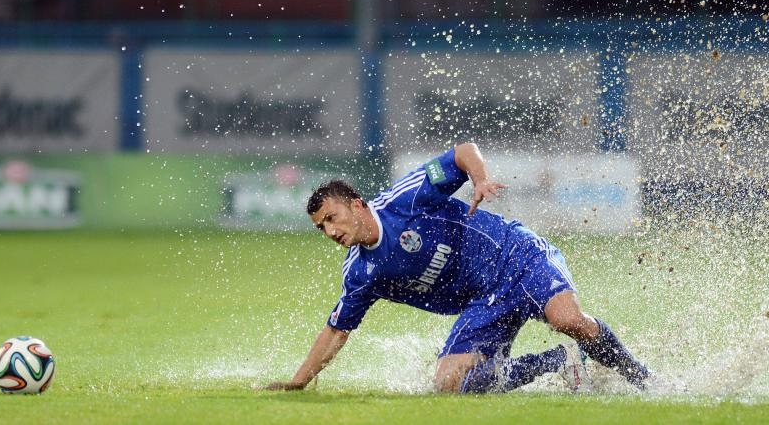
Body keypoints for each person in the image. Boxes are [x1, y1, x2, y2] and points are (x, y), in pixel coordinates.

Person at [266, 143, 652, 393]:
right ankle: (559, 361)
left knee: (568, 319)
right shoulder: (361, 273)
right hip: (484, 302)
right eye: (322, 228)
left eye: (332, 218)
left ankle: (644, 379)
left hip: (515, 256)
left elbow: (463, 152)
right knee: (449, 385)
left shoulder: (405, 200)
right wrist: (298, 383)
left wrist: (480, 180)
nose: (331, 231)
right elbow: (337, 330)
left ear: (356, 204)